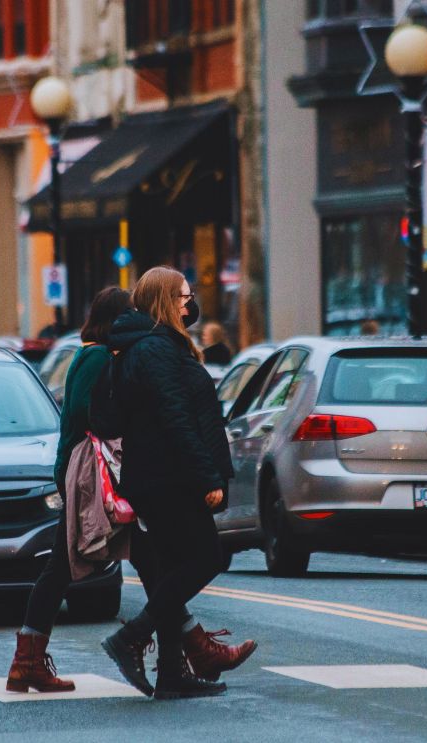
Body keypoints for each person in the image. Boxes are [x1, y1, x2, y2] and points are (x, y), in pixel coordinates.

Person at [6, 286, 254, 695]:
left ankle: (193, 650)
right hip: (93, 477)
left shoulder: (94, 355)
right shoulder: (97, 357)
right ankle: (28, 661)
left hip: (94, 475)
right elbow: (97, 418)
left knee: (151, 563)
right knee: (65, 567)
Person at [101, 267, 244, 700]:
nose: (190, 303)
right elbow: (176, 418)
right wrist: (206, 475)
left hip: (160, 477)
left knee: (168, 573)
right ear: (165, 300)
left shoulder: (153, 347)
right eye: (183, 296)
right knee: (206, 558)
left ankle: (170, 675)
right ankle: (132, 637)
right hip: (170, 479)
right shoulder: (154, 350)